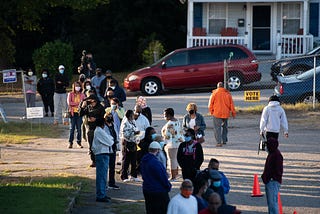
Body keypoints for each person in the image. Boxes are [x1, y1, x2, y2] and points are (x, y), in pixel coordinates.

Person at [140, 141, 172, 214]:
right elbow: (162, 177)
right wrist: (168, 186)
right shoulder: (155, 162)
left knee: (150, 210)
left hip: (147, 189)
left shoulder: (144, 160)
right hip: (158, 191)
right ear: (157, 150)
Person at [79, 94, 105, 167]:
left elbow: (104, 118)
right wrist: (82, 106)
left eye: (90, 100)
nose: (89, 101)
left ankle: (100, 160)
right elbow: (80, 114)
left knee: (99, 146)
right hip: (90, 128)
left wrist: (96, 119)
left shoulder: (100, 107)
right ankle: (93, 161)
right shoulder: (88, 107)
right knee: (91, 146)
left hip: (99, 128)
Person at [91, 118, 113, 202]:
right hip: (101, 154)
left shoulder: (99, 131)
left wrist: (110, 139)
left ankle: (102, 193)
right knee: (101, 176)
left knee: (103, 176)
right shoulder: (99, 131)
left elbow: (110, 138)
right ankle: (100, 195)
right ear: (102, 124)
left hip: (103, 153)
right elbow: (110, 141)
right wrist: (111, 139)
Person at [208, 82, 236, 147]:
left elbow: (210, 105)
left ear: (217, 87)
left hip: (217, 113)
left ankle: (218, 142)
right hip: (225, 113)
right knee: (225, 127)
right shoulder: (228, 94)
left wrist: (212, 112)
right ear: (223, 87)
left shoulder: (214, 94)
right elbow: (232, 105)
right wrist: (233, 113)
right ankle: (224, 140)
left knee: (217, 128)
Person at [261, 137, 283, 214]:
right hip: (270, 180)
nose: (266, 147)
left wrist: (269, 177)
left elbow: (276, 170)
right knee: (271, 203)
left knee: (273, 202)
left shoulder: (276, 155)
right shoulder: (272, 154)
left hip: (273, 181)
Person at [161, 108, 183, 182]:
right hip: (178, 142)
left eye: (165, 115)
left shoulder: (170, 123)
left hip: (171, 144)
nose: (164, 116)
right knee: (175, 160)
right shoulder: (177, 121)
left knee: (172, 160)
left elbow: (167, 135)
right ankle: (175, 174)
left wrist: (163, 143)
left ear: (169, 115)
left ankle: (173, 177)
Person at [119, 110, 141, 182]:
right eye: (132, 115)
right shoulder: (125, 123)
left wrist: (137, 134)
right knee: (126, 160)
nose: (133, 116)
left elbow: (136, 129)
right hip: (127, 142)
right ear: (129, 116)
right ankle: (124, 176)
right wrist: (134, 133)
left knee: (134, 159)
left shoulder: (133, 122)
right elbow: (125, 134)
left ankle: (133, 175)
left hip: (133, 142)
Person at [104, 113, 120, 190]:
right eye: (108, 117)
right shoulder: (104, 126)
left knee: (112, 167)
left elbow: (116, 134)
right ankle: (104, 184)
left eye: (111, 117)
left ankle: (112, 183)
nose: (110, 118)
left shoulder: (113, 125)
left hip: (113, 148)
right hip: (106, 149)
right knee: (105, 167)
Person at [67, 81, 85, 149]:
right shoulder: (70, 94)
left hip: (79, 113)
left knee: (79, 129)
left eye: (78, 86)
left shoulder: (82, 95)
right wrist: (78, 104)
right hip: (72, 113)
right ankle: (70, 142)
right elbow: (69, 103)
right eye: (76, 86)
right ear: (73, 87)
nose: (77, 87)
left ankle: (79, 142)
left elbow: (83, 103)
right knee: (72, 128)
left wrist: (77, 104)